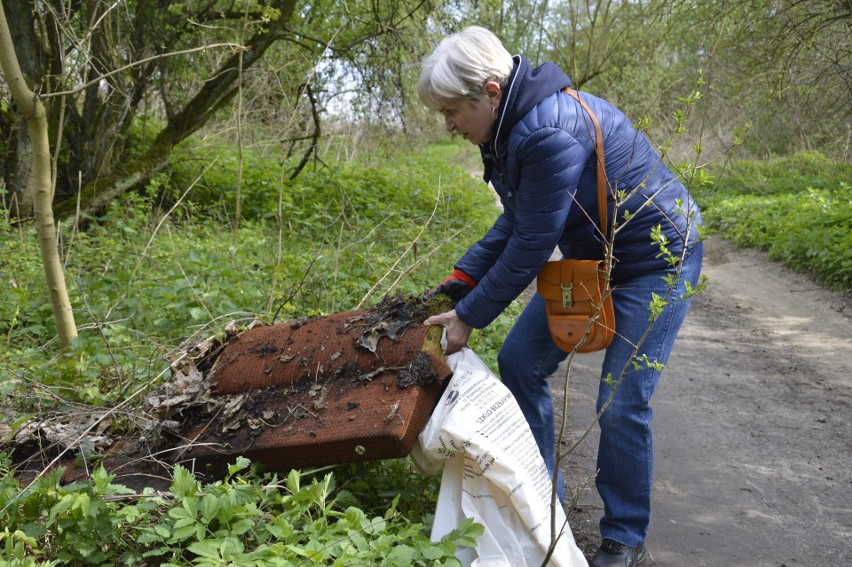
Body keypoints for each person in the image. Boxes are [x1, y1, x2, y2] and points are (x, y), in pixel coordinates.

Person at [419, 26, 704, 567]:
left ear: (491, 91)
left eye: (453, 110)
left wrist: (470, 316)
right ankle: (539, 501)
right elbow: (517, 221)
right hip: (590, 257)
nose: (449, 124)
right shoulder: (508, 129)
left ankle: (623, 538)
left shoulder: (546, 131)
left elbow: (531, 243)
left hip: (655, 258)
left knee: (621, 399)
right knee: (520, 359)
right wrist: (459, 284)